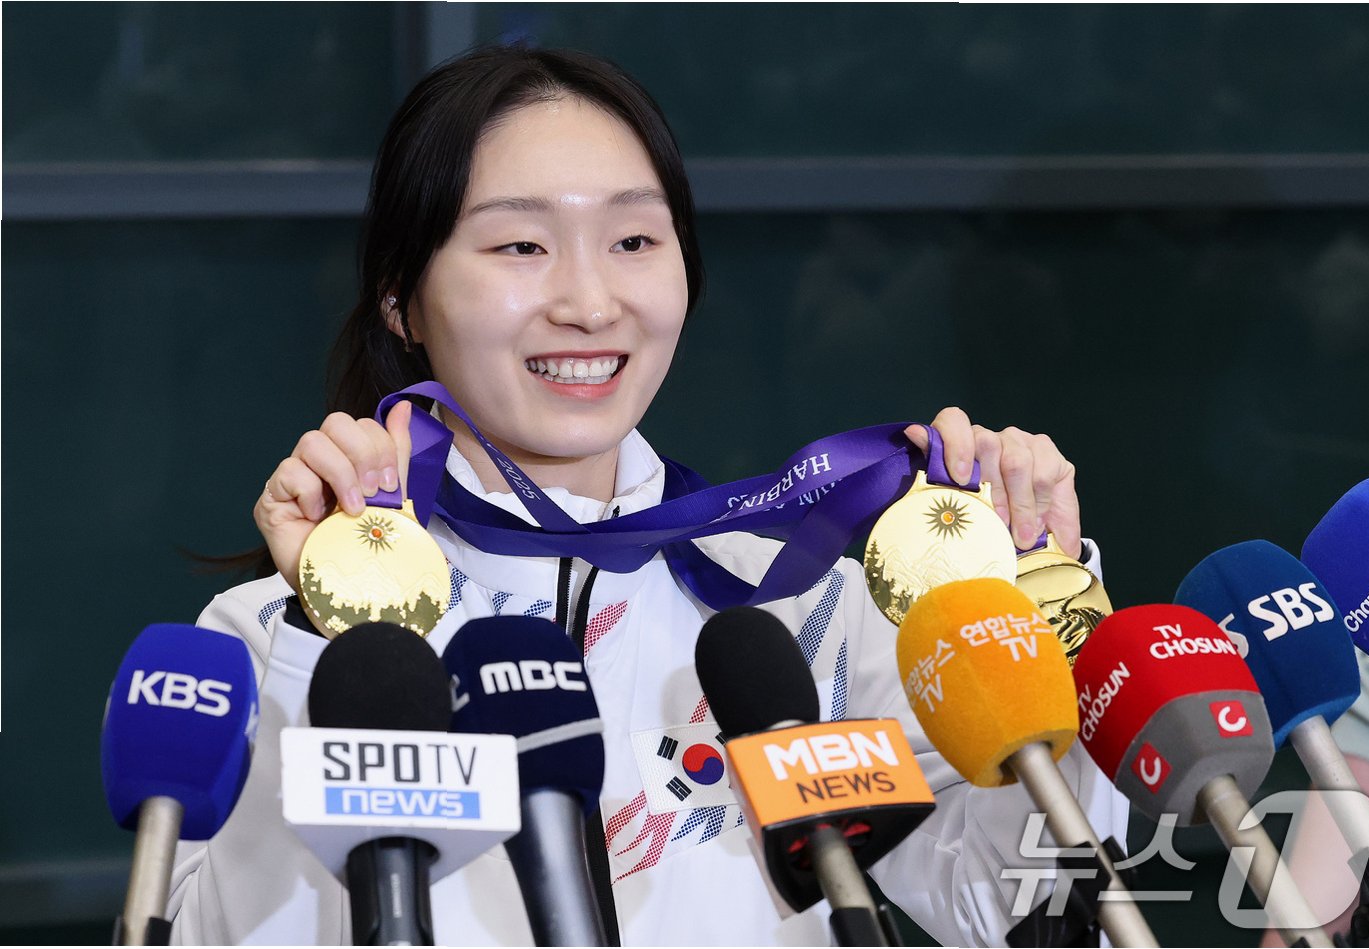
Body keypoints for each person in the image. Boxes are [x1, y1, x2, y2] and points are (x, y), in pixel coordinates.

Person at [167, 45, 1125, 946]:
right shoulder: (270, 635)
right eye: (521, 246)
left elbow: (1016, 908)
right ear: (399, 297)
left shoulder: (803, 616)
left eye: (633, 239)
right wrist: (333, 635)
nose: (591, 303)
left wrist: (1045, 613)